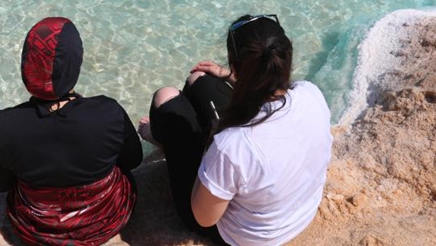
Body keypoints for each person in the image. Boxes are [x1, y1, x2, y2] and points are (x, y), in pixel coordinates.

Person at [139, 14, 333, 245]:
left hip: (245, 235)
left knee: (166, 97)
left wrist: (210, 147)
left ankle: (161, 139)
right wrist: (229, 76)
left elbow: (204, 218)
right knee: (198, 78)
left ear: (237, 65)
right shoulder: (310, 93)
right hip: (299, 212)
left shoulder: (231, 145)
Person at [0, 17, 143, 246]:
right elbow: (133, 160)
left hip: (36, 230)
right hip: (106, 220)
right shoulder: (108, 113)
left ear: (26, 66)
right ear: (75, 64)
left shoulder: (4, 125)